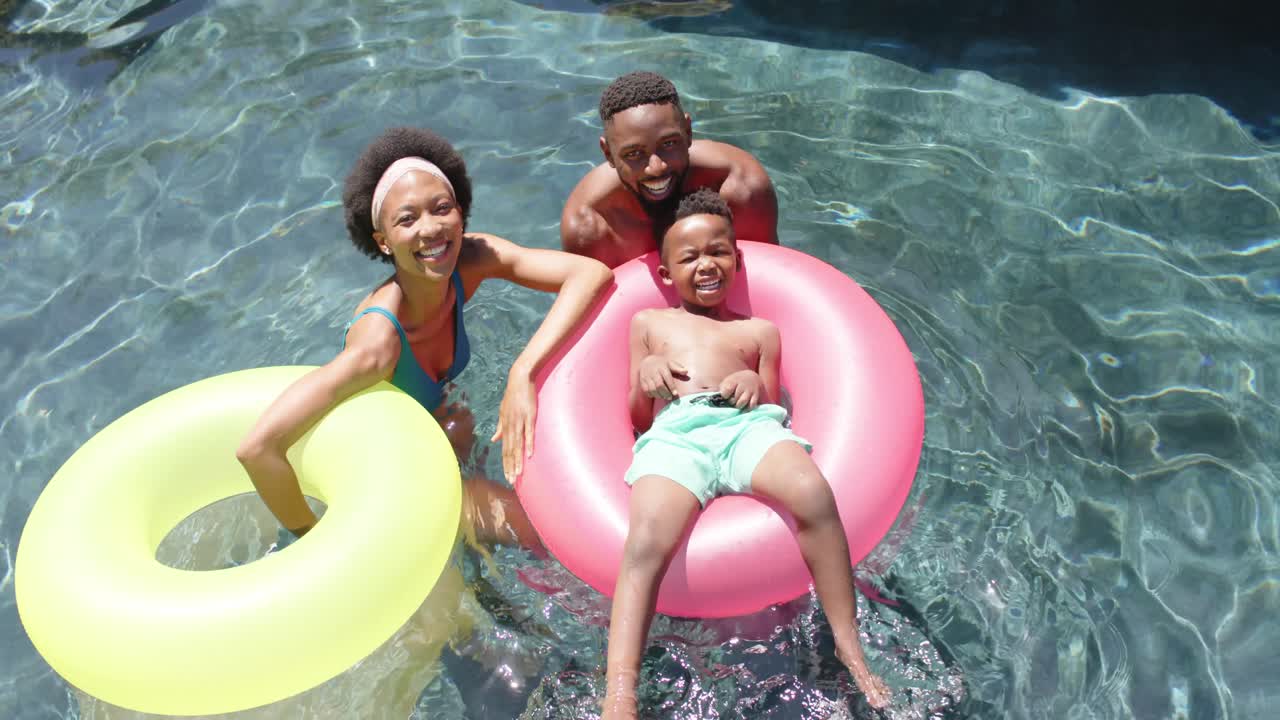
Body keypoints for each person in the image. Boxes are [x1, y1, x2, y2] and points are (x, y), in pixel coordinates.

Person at [237, 126, 612, 548]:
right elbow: (257, 449)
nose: (431, 229)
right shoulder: (377, 345)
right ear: (382, 241)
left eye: (441, 208)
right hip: (402, 472)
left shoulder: (468, 262)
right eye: (407, 219)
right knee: (541, 535)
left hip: (447, 432)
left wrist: (523, 371)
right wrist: (313, 540)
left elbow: (590, 275)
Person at [602, 189, 891, 718]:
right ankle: (620, 692)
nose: (706, 264)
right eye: (689, 257)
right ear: (666, 274)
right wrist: (646, 381)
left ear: (738, 258)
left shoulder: (760, 332)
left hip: (743, 427)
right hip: (678, 431)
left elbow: (772, 399)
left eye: (718, 251)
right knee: (645, 541)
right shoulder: (648, 324)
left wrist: (751, 381)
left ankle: (848, 643)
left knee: (812, 492)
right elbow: (639, 418)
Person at [561, 70, 779, 269]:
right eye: (634, 154)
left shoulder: (740, 189)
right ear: (608, 153)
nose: (656, 168)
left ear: (688, 132)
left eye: (669, 144)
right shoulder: (591, 227)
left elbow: (766, 275)